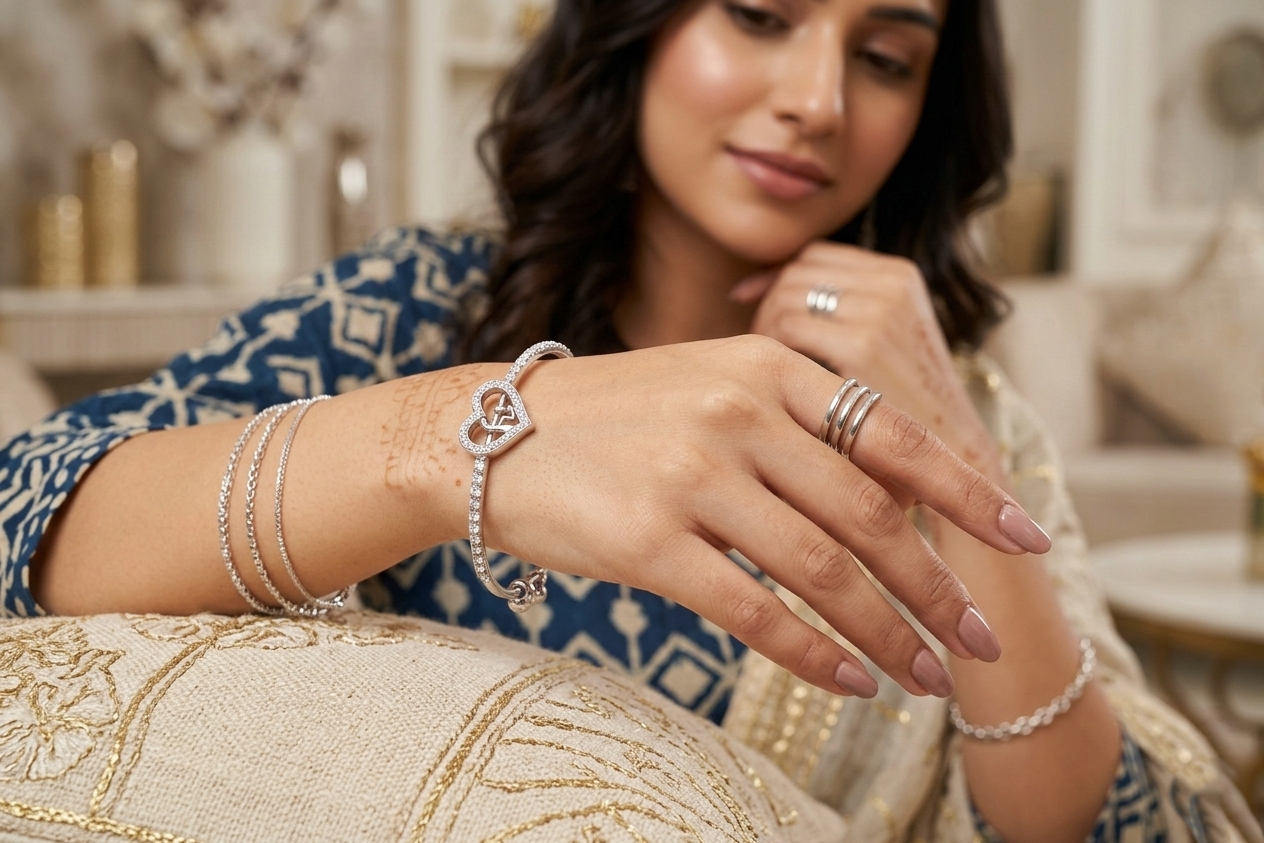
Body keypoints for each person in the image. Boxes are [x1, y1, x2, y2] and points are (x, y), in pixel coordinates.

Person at [0, 0, 1256, 840]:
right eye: (759, 13)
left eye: (885, 56)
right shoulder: (427, 310)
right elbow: (26, 518)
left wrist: (955, 463)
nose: (817, 98)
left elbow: (1140, 826)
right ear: (639, 25)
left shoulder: (966, 415)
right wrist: (466, 440)